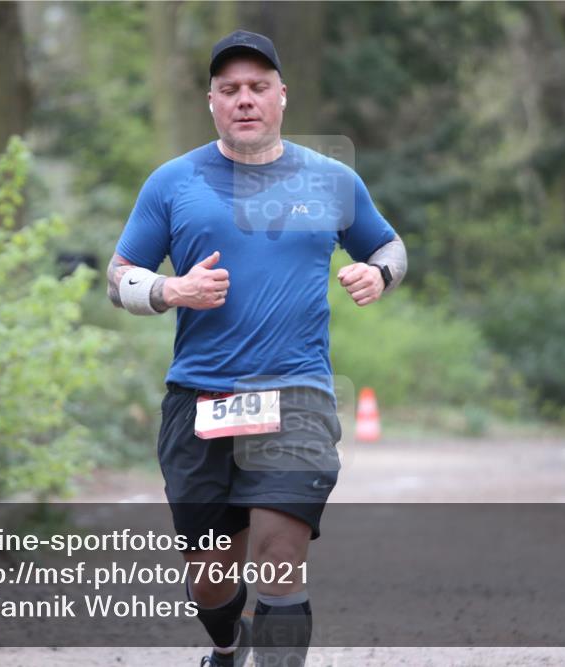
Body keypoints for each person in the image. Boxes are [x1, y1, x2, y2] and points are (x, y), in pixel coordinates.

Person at [107, 29, 407, 667]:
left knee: (279, 555)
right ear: (210, 101)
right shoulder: (173, 182)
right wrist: (169, 288)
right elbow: (119, 276)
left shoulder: (330, 180)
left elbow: (388, 245)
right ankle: (229, 645)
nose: (245, 99)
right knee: (211, 581)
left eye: (258, 88)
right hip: (199, 399)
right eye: (230, 89)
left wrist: (377, 274)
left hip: (295, 393)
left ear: (282, 97)